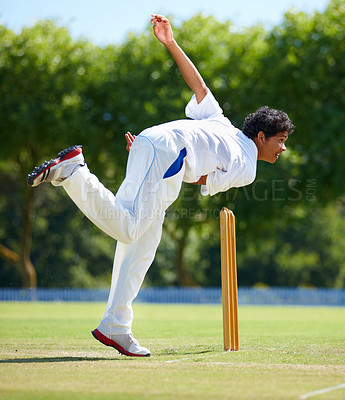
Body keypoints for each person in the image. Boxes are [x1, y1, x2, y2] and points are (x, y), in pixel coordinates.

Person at [27, 14, 294, 357]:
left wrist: (170, 43)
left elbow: (199, 86)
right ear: (261, 136)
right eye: (281, 140)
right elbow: (200, 178)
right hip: (169, 154)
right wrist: (156, 160)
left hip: (153, 140)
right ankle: (74, 172)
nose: (283, 149)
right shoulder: (247, 166)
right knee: (130, 228)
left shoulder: (223, 123)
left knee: (142, 243)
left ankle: (116, 325)